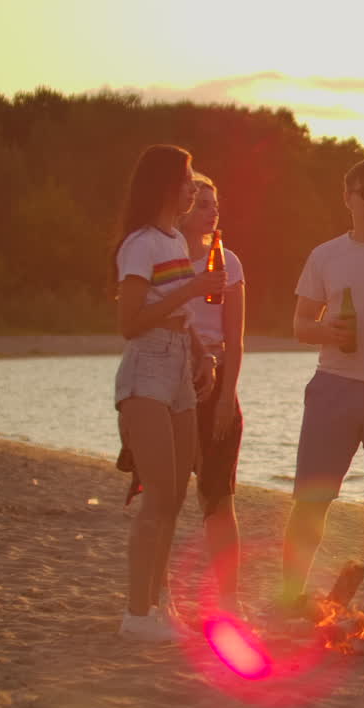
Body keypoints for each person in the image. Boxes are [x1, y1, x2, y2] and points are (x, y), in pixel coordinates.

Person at [273, 159, 364, 620]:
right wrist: (326, 329)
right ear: (348, 199)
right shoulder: (326, 255)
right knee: (312, 499)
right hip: (334, 387)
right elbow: (299, 326)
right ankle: (291, 593)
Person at [119, 171, 247, 619]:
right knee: (162, 496)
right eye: (202, 202)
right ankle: (159, 596)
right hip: (163, 377)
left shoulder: (226, 261)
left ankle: (227, 602)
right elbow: (137, 323)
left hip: (210, 382)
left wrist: (227, 395)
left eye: (215, 203)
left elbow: (235, 338)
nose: (211, 210)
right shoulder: (161, 250)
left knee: (215, 496)